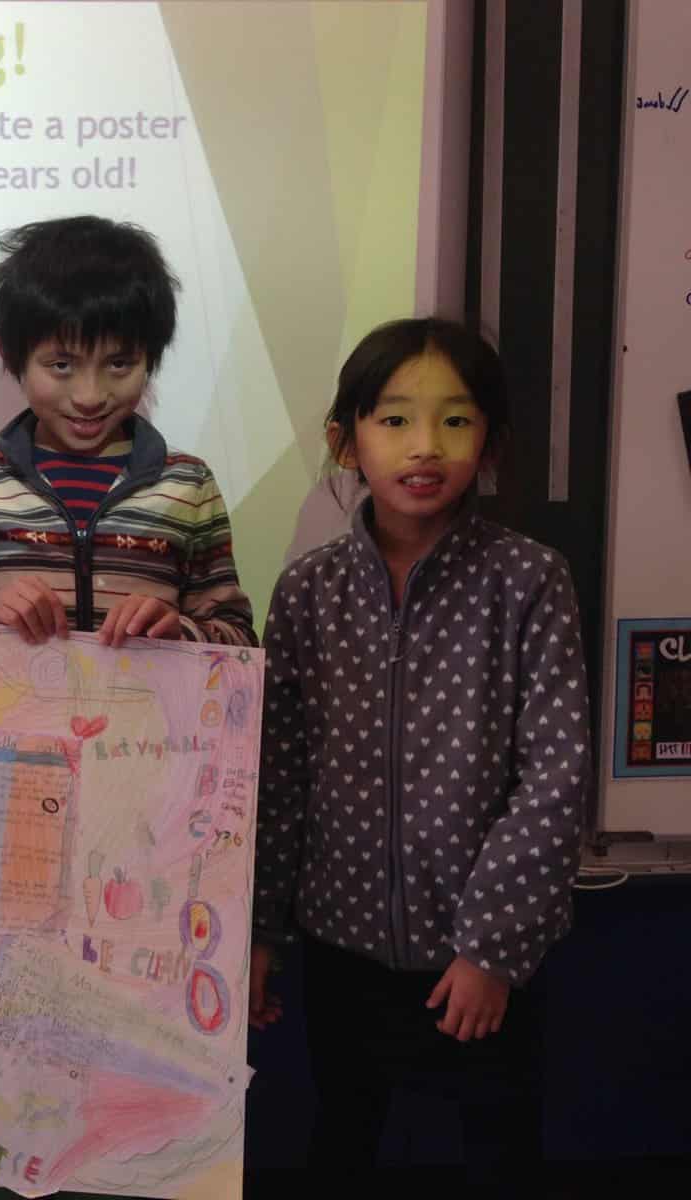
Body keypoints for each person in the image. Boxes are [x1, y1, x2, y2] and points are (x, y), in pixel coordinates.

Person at [250, 317, 588, 1198]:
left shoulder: (529, 581)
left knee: (499, 1152)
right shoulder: (309, 591)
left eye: (456, 420)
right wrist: (259, 936)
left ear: (490, 442)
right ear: (347, 441)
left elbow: (555, 777)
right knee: (341, 1143)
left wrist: (492, 950)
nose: (426, 446)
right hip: (341, 952)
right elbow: (278, 779)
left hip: (481, 956)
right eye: (395, 419)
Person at [0, 215, 255, 650]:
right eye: (61, 365)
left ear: (151, 356)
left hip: (141, 696)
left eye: (119, 364)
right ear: (9, 351)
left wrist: (178, 633)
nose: (90, 396)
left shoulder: (188, 483)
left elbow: (238, 638)